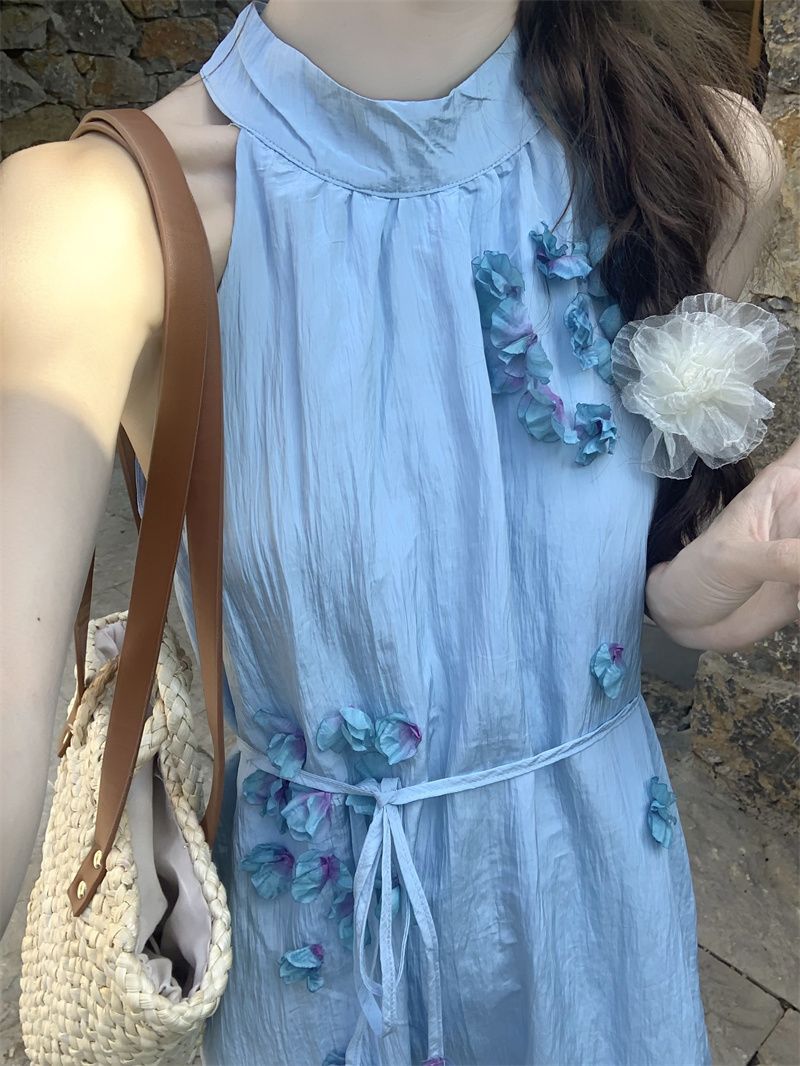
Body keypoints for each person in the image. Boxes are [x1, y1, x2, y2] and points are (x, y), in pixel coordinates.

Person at [1, 1, 798, 1063]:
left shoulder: (698, 156)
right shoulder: (100, 222)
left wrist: (677, 591)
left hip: (598, 938)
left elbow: (580, 548)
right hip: (325, 967)